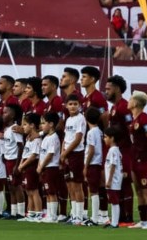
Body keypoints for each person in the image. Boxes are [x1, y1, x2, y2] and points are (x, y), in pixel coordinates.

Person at [105, 75, 134, 224]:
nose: (106, 92)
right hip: (118, 151)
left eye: (108, 89)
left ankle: (128, 216)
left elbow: (131, 130)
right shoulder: (114, 107)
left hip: (126, 151)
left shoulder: (124, 106)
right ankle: (120, 216)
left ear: (117, 89)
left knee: (125, 182)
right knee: (118, 183)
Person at [128, 91, 147, 229]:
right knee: (138, 190)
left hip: (144, 160)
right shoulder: (134, 119)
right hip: (135, 159)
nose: (128, 101)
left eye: (131, 99)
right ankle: (143, 221)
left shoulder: (144, 118)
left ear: (135, 103)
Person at [61, 94, 86, 224]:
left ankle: (79, 215)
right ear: (66, 106)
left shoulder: (80, 119)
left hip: (76, 153)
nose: (72, 106)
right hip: (67, 154)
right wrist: (62, 153)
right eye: (70, 104)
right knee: (70, 185)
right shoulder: (68, 120)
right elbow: (66, 138)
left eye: (75, 104)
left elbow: (77, 139)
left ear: (80, 106)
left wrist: (65, 153)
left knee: (77, 185)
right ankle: (74, 213)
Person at [38, 112, 62, 223]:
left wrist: (42, 165)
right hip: (45, 168)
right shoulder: (46, 137)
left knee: (52, 192)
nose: (41, 126)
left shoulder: (54, 137)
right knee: (47, 191)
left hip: (51, 167)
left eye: (43, 123)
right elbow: (42, 153)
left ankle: (53, 215)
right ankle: (49, 214)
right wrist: (40, 165)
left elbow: (50, 154)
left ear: (51, 124)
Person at [18, 113, 43, 222]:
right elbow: (25, 153)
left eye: (25, 124)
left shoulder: (37, 139)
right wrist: (20, 164)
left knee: (34, 190)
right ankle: (31, 213)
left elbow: (34, 155)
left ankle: (38, 213)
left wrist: (22, 165)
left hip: (31, 166)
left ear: (32, 125)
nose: (23, 127)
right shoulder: (29, 138)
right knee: (28, 190)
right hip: (25, 167)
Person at [84, 107, 104, 226]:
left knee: (93, 191)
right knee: (96, 190)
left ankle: (94, 218)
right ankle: (97, 216)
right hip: (99, 162)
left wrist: (85, 165)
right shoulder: (100, 131)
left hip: (93, 163)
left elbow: (91, 150)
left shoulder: (91, 132)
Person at [104, 126, 125, 229]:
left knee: (114, 201)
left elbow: (112, 165)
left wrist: (109, 180)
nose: (104, 139)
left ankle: (115, 223)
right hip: (115, 180)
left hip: (113, 181)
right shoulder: (115, 150)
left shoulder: (113, 150)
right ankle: (113, 221)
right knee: (113, 200)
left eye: (106, 137)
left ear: (112, 138)